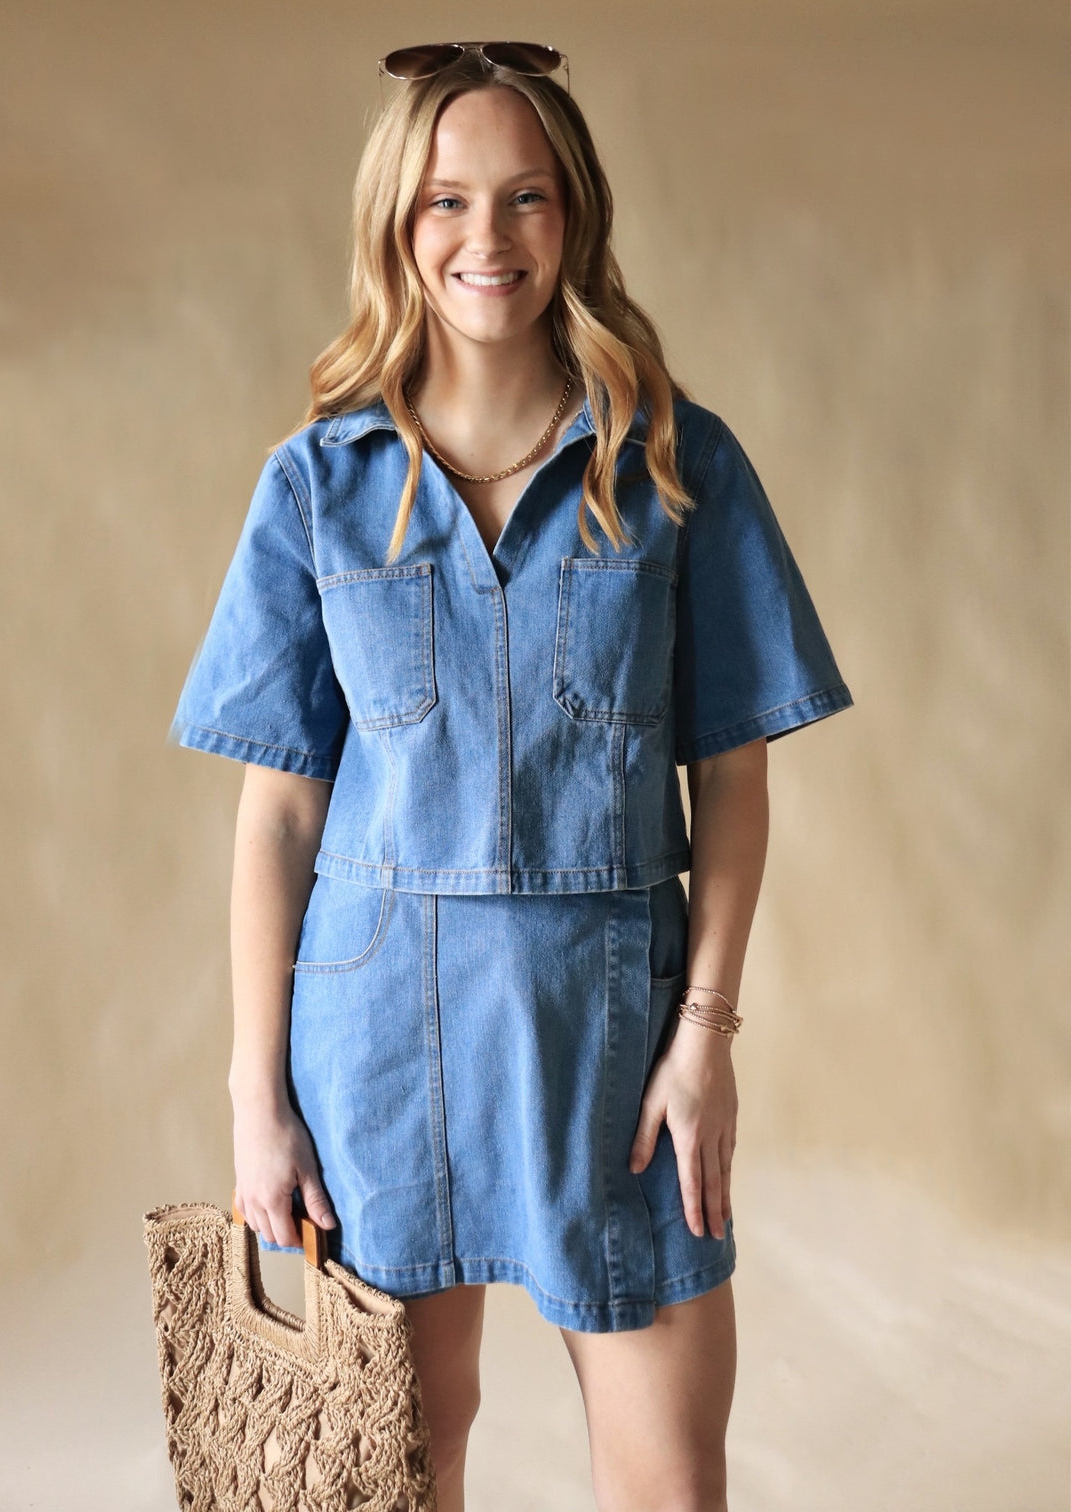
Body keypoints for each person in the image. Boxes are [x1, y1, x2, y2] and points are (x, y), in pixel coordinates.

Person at [170, 40, 853, 1512]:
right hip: (372, 1052)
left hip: (617, 1042)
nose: (488, 237)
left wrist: (707, 1036)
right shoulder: (318, 484)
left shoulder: (673, 465)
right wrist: (254, 1094)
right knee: (392, 1472)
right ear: (398, 223)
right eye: (448, 200)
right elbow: (279, 809)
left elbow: (733, 778)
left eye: (527, 196)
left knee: (669, 1478)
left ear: (575, 214)